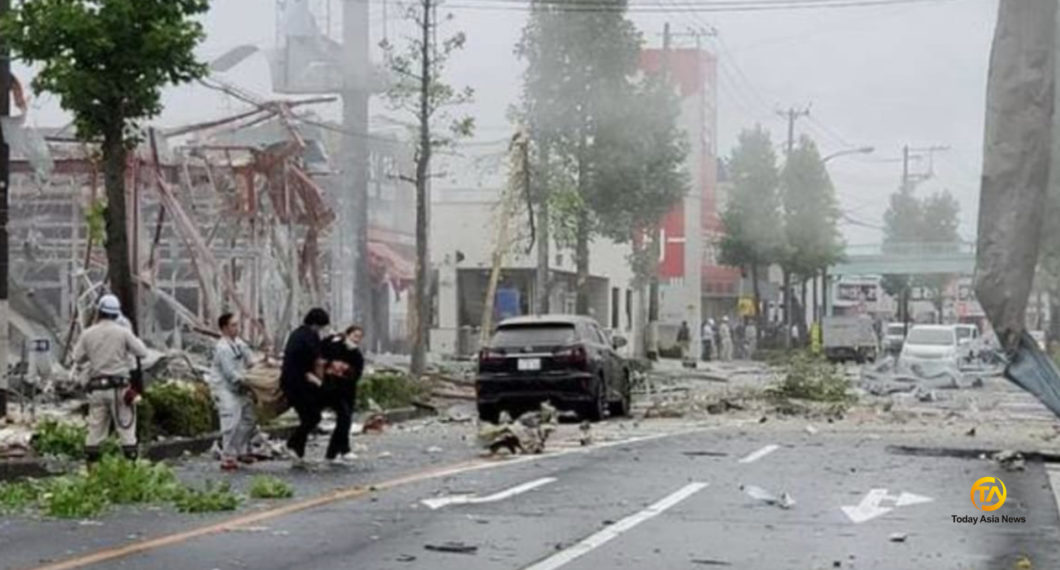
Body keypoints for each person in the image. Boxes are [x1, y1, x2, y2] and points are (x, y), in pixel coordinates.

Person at [71, 295, 149, 464]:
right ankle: (131, 471)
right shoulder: (123, 332)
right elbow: (142, 352)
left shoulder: (88, 334)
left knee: (95, 432)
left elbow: (77, 358)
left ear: (99, 312)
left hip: (97, 389)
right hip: (120, 390)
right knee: (126, 431)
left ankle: (92, 472)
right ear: (116, 314)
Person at [281, 307, 331, 466]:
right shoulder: (309, 336)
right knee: (312, 416)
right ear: (317, 324)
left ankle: (298, 452)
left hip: (293, 382)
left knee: (308, 417)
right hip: (298, 383)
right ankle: (293, 444)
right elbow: (316, 358)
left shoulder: (298, 333)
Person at [210, 313, 257, 471]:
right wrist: (252, 383)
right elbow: (230, 374)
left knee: (249, 418)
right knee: (231, 422)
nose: (237, 328)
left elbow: (251, 360)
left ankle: (240, 449)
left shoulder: (238, 343)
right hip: (225, 388)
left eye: (237, 325)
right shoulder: (222, 348)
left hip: (240, 387)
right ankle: (227, 456)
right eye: (233, 325)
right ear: (224, 328)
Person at [320, 325, 366, 465]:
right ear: (347, 335)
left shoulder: (356, 354)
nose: (356, 339)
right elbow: (322, 352)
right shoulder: (335, 346)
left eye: (359, 337)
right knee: (344, 418)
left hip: (347, 390)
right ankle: (333, 452)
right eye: (354, 336)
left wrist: (345, 370)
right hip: (331, 389)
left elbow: (357, 374)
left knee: (345, 420)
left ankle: (341, 450)